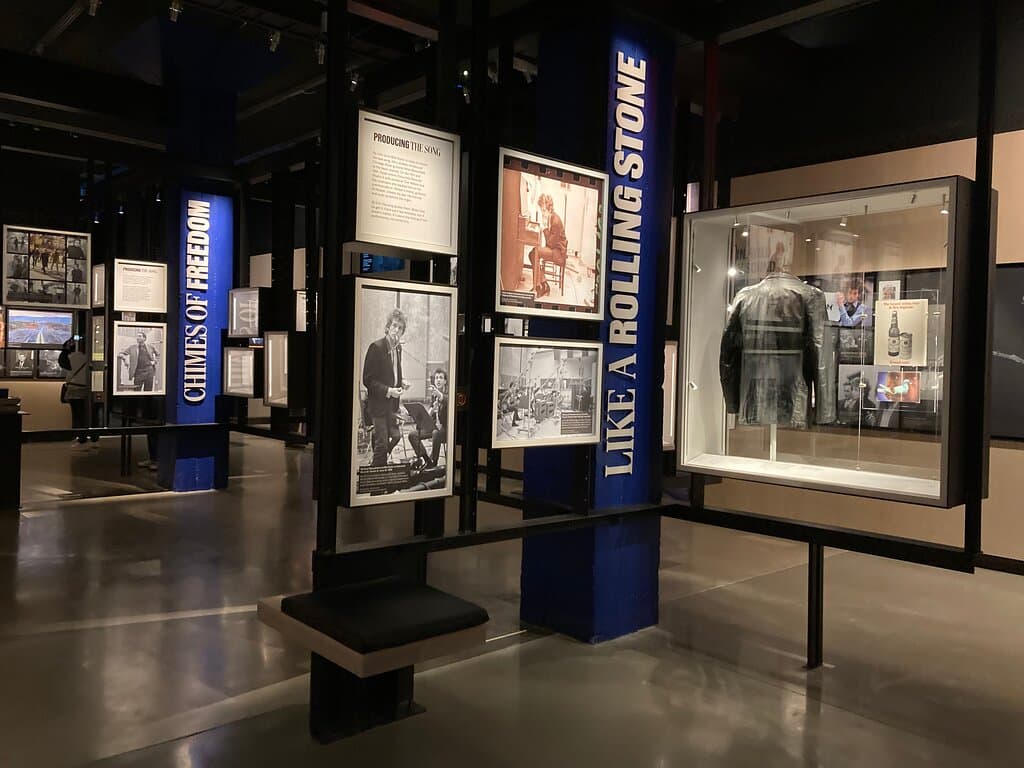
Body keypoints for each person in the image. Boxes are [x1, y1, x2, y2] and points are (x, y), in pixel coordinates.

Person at [362, 308, 409, 466]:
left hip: (391, 405)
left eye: (400, 327)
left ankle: (376, 463)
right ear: (388, 327)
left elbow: (392, 372)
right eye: (394, 325)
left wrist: (401, 382)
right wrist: (389, 391)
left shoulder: (398, 348)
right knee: (382, 444)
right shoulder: (376, 347)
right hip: (378, 405)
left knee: (395, 436)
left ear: (403, 331)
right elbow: (367, 380)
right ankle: (377, 479)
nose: (396, 329)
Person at [529, 193, 568, 298]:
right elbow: (550, 243)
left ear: (547, 207)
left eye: (542, 210)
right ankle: (543, 284)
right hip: (555, 249)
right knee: (532, 253)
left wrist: (544, 228)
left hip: (558, 253)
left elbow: (550, 244)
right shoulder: (552, 217)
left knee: (535, 252)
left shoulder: (555, 221)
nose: (542, 213)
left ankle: (540, 286)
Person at [409, 369, 448, 470]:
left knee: (436, 433)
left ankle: (434, 462)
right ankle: (427, 459)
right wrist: (432, 409)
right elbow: (428, 415)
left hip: (446, 429)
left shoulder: (448, 394)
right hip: (434, 427)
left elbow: (447, 399)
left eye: (441, 378)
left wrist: (439, 395)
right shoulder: (434, 395)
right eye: (436, 378)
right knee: (412, 435)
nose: (438, 380)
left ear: (445, 381)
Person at [58, 337, 95, 447]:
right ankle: (94, 438)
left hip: (75, 389)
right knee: (90, 415)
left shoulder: (73, 357)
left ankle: (81, 439)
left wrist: (65, 349)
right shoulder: (91, 358)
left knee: (77, 415)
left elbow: (62, 362)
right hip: (88, 389)